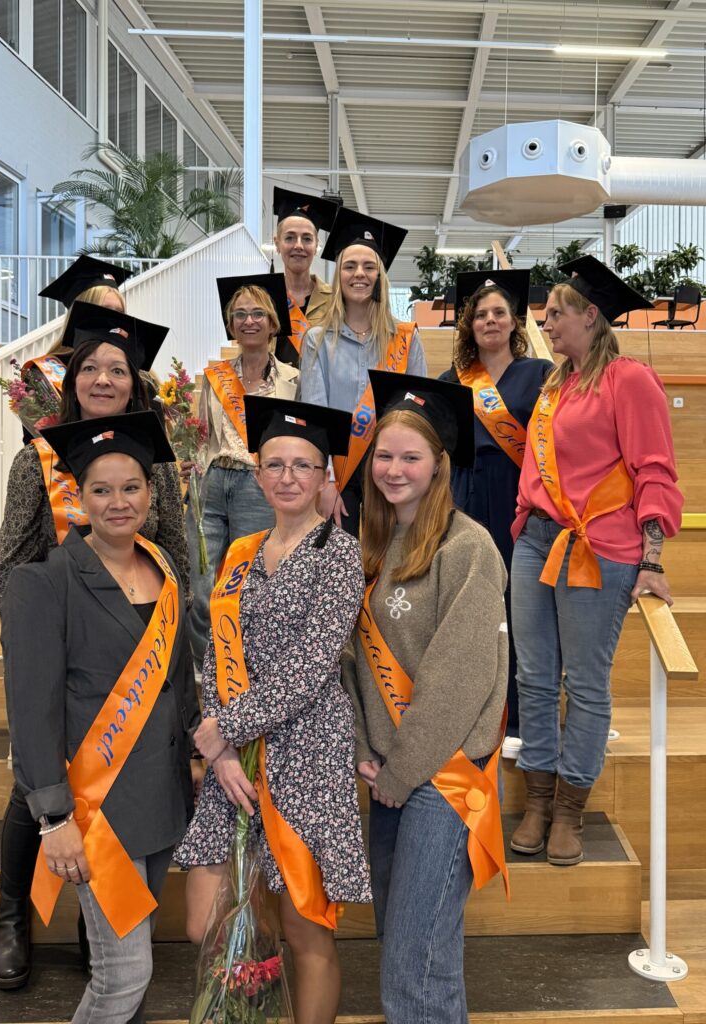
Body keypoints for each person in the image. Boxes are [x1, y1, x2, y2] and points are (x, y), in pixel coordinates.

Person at [0, 304, 190, 991]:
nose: (104, 379)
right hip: (59, 644)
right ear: (70, 379)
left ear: (135, 383)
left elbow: (176, 553)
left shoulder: (154, 458)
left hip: (137, 641)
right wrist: (37, 631)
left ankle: (97, 927)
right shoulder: (35, 459)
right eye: (91, 368)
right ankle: (12, 912)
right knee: (37, 781)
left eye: (118, 370)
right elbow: (12, 561)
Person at [176, 396, 371, 1024]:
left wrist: (221, 731)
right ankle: (252, 1011)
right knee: (207, 920)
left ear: (324, 477)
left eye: (303, 465)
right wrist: (223, 750)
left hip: (306, 755)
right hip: (233, 759)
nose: (288, 477)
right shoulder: (240, 551)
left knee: (304, 925)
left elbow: (309, 671)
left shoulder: (339, 555)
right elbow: (216, 653)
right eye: (275, 465)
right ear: (257, 475)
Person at [343, 370, 509, 1024]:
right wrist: (365, 746)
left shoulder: (468, 548)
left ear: (439, 464)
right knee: (411, 945)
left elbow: (458, 679)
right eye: (383, 455)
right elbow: (353, 659)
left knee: (413, 963)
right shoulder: (374, 544)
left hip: (444, 777)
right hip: (393, 773)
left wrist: (401, 771)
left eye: (410, 457)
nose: (393, 469)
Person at [510, 255, 684, 866]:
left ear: (591, 316)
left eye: (557, 313)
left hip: (600, 548)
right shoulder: (556, 383)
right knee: (533, 676)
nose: (546, 323)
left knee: (584, 682)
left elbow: (654, 469)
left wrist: (652, 558)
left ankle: (569, 810)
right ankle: (537, 800)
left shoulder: (628, 379)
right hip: (536, 542)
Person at [440, 269, 553, 750]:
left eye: (499, 313)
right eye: (481, 314)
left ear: (514, 322)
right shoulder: (451, 380)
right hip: (465, 493)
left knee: (520, 606)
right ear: (469, 325)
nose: (490, 320)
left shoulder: (541, 374)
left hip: (519, 494)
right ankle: (472, 712)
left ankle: (520, 716)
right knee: (471, 602)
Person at [187, 274, 298, 668]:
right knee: (200, 582)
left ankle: (247, 667)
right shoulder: (214, 377)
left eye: (257, 314)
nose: (248, 321)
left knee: (251, 585)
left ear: (272, 323)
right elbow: (201, 435)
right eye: (239, 315)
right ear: (231, 325)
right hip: (213, 482)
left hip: (257, 487)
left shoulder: (293, 381)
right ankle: (205, 668)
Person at [300, 207, 427, 536]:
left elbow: (417, 415)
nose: (360, 274)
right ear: (338, 275)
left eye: (369, 267)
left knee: (392, 558)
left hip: (392, 470)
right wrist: (326, 481)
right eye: (350, 266)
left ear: (380, 276)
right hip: (340, 469)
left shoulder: (405, 339)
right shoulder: (317, 340)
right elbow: (315, 416)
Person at [24, 255, 134, 402]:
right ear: (80, 315)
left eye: (119, 312)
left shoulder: (132, 367)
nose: (114, 319)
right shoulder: (47, 372)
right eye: (104, 310)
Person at [271, 186, 338, 367]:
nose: (298, 246)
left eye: (307, 239)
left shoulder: (336, 300)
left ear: (316, 246)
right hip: (274, 385)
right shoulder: (263, 296)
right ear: (277, 244)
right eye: (289, 238)